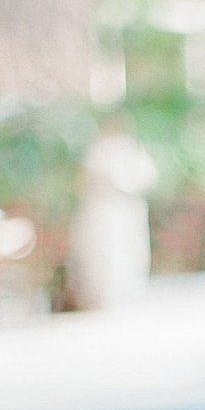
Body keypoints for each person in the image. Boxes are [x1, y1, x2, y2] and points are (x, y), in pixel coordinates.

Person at [68, 114, 158, 309]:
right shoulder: (99, 151)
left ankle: (128, 293)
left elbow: (146, 177)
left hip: (126, 211)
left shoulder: (133, 149)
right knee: (102, 254)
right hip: (104, 212)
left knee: (130, 252)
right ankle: (102, 297)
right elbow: (85, 181)